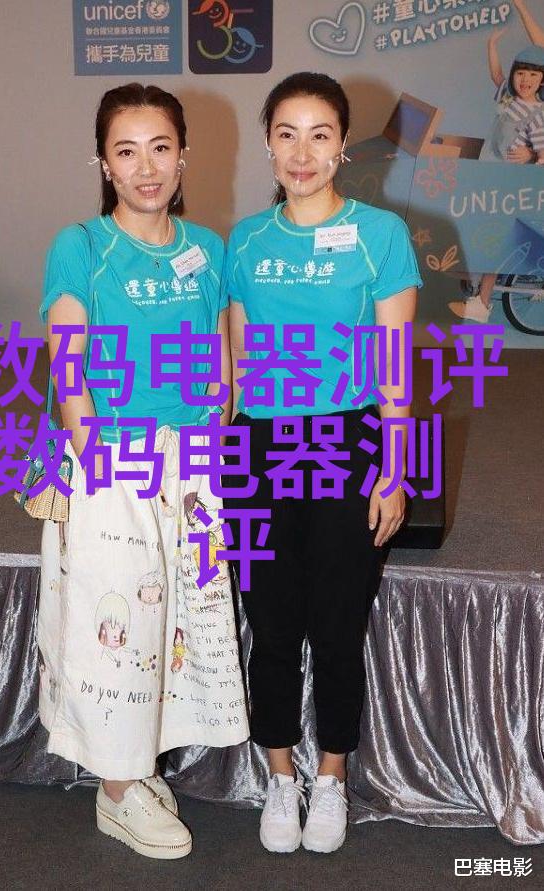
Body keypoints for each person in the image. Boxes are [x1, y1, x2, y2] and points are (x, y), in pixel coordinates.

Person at [37, 82, 249, 860]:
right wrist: (98, 463)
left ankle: (133, 769)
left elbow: (222, 354)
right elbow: (69, 368)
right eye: (126, 151)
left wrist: (217, 420)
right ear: (104, 163)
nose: (146, 167)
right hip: (115, 465)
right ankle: (118, 790)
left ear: (183, 154)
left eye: (161, 147)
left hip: (190, 468)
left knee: (175, 624)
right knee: (117, 625)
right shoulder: (81, 246)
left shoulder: (208, 249)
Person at [223, 72, 421, 855]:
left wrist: (393, 468)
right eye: (286, 134)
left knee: (338, 625)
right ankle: (280, 773)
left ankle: (331, 773)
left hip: (346, 443)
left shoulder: (381, 235)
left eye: (319, 135)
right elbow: (235, 365)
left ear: (343, 146)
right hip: (259, 448)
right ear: (268, 144)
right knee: (270, 624)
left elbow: (396, 362)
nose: (302, 153)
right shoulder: (245, 241)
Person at [450, 29, 544, 322]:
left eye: (533, 75)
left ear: (542, 80)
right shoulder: (507, 99)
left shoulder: (539, 115)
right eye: (521, 74)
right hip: (488, 176)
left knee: (493, 239)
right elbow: (496, 74)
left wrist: (531, 156)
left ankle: (482, 304)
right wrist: (491, 44)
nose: (525, 80)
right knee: (475, 228)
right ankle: (472, 284)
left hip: (508, 187)